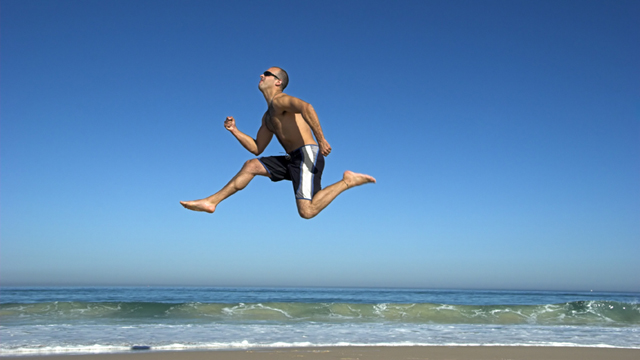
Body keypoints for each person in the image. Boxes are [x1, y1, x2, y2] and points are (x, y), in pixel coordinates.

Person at [180, 67, 376, 219]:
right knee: (251, 165)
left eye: (267, 73)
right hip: (292, 159)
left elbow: (306, 107)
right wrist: (234, 131)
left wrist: (321, 139)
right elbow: (257, 147)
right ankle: (211, 202)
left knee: (306, 212)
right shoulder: (268, 117)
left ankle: (347, 181)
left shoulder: (280, 101)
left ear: (278, 81)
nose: (261, 75)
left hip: (307, 154)